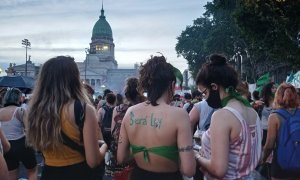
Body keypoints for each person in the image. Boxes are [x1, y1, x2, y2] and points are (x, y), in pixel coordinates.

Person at [26, 56, 108, 180]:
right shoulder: (83, 109)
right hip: (78, 174)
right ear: (74, 78)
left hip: (48, 173)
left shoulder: (34, 110)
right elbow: (93, 161)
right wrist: (106, 145)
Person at [117, 55, 195, 180]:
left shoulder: (131, 112)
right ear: (172, 85)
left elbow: (121, 158)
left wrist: (142, 152)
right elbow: (188, 170)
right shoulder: (179, 115)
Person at [194, 54, 262, 179]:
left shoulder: (222, 116)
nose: (204, 98)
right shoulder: (251, 111)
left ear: (214, 87)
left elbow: (218, 170)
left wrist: (196, 156)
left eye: (204, 93)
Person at [103, 77, 146, 180]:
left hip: (120, 153)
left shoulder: (118, 109)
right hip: (140, 155)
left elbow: (114, 134)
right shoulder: (145, 108)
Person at [261, 82, 300, 179]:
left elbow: (269, 145)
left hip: (280, 164)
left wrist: (263, 159)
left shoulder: (274, 117)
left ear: (277, 96)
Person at [0, 88, 37, 180]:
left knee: (12, 173)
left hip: (6, 146)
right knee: (32, 170)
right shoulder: (20, 110)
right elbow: (28, 129)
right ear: (18, 98)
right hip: (21, 143)